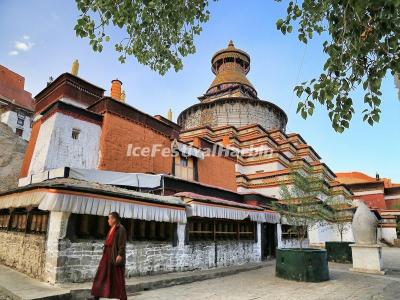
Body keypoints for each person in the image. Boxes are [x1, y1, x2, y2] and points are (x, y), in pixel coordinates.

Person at [90, 212, 127, 300]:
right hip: (107, 255)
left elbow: (122, 243)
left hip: (114, 255)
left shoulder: (121, 229)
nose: (108, 221)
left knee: (117, 278)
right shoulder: (112, 228)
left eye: (109, 218)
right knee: (101, 275)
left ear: (114, 219)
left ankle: (123, 297)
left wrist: (120, 255)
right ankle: (96, 297)